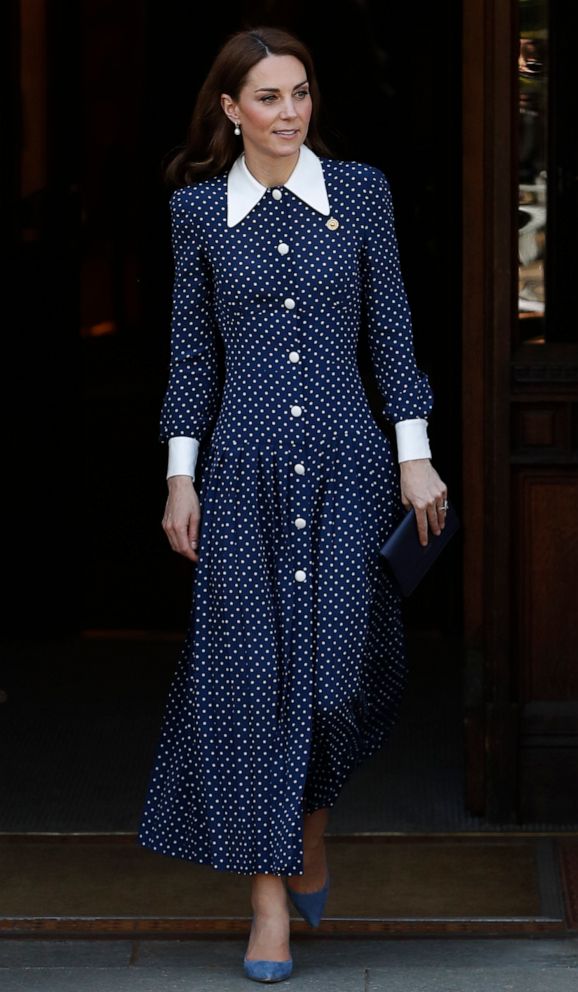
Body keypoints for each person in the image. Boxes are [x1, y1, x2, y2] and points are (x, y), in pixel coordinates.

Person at [137, 24, 448, 984]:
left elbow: (392, 332)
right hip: (241, 476)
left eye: (299, 93)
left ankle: (309, 828)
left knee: (340, 677)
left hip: (352, 468)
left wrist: (417, 455)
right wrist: (179, 475)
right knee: (246, 689)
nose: (287, 113)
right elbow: (191, 356)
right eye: (266, 98)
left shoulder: (358, 194)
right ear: (231, 111)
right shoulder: (197, 215)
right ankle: (268, 899)